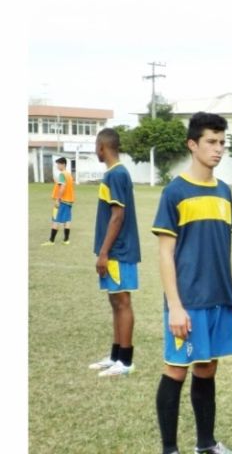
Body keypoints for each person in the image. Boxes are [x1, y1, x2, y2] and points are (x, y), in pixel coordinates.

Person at [151, 112, 232, 454]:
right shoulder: (175, 192)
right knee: (176, 370)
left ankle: (205, 444)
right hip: (186, 301)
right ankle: (169, 449)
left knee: (207, 368)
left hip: (218, 298)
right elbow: (165, 254)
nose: (218, 149)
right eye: (211, 142)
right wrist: (175, 305)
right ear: (193, 144)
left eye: (222, 143)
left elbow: (223, 250)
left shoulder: (224, 192)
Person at [88, 129, 141, 377]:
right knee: (115, 301)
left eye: (95, 146)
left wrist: (104, 252)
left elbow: (117, 216)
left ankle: (126, 361)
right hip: (113, 252)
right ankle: (115, 356)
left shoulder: (117, 174)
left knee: (122, 302)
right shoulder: (113, 174)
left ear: (101, 147)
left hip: (118, 252)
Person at [43, 157, 75, 246]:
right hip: (69, 201)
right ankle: (66, 240)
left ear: (63, 164)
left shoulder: (62, 174)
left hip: (63, 201)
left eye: (58, 164)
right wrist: (57, 182)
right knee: (67, 220)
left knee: (55, 220)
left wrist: (58, 199)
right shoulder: (68, 174)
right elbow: (66, 185)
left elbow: (63, 187)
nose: (57, 166)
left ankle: (51, 241)